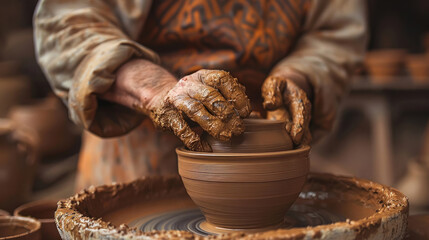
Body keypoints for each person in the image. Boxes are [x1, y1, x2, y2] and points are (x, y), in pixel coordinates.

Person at [34, 0, 367, 190]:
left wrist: (300, 74)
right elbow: (64, 21)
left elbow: (334, 34)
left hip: (262, 159)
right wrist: (152, 86)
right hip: (133, 159)